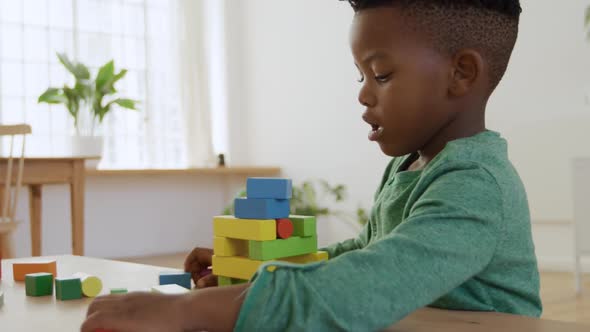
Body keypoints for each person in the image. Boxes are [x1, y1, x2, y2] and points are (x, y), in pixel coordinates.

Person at [81, 1, 542, 331]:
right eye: (361, 76)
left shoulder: (475, 185)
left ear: (461, 74)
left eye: (380, 75)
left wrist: (185, 312)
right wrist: (254, 272)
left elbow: (371, 282)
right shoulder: (410, 164)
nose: (363, 93)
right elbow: (366, 251)